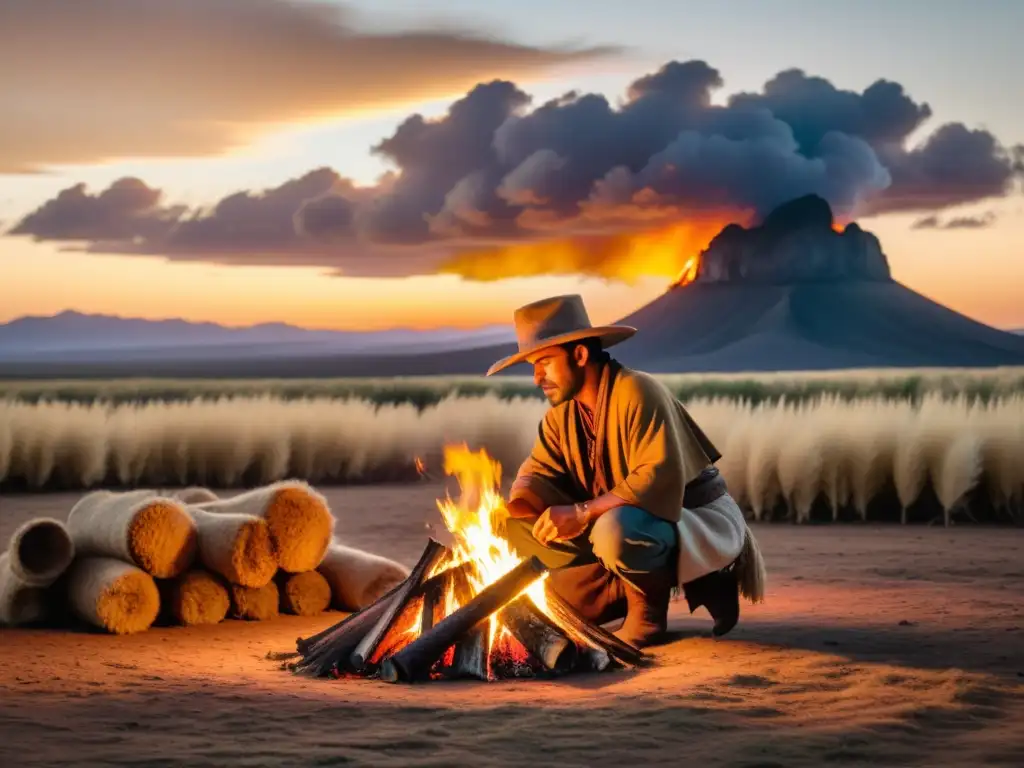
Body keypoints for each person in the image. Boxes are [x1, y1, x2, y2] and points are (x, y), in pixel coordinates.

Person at [487, 294, 766, 648]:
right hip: (614, 526)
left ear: (580, 354)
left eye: (544, 362)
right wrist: (521, 513)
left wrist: (579, 512)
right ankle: (696, 583)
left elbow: (654, 481)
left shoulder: (637, 390)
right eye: (532, 366)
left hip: (692, 518)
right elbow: (538, 473)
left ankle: (650, 616)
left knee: (614, 531)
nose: (536, 378)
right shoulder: (560, 416)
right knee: (549, 591)